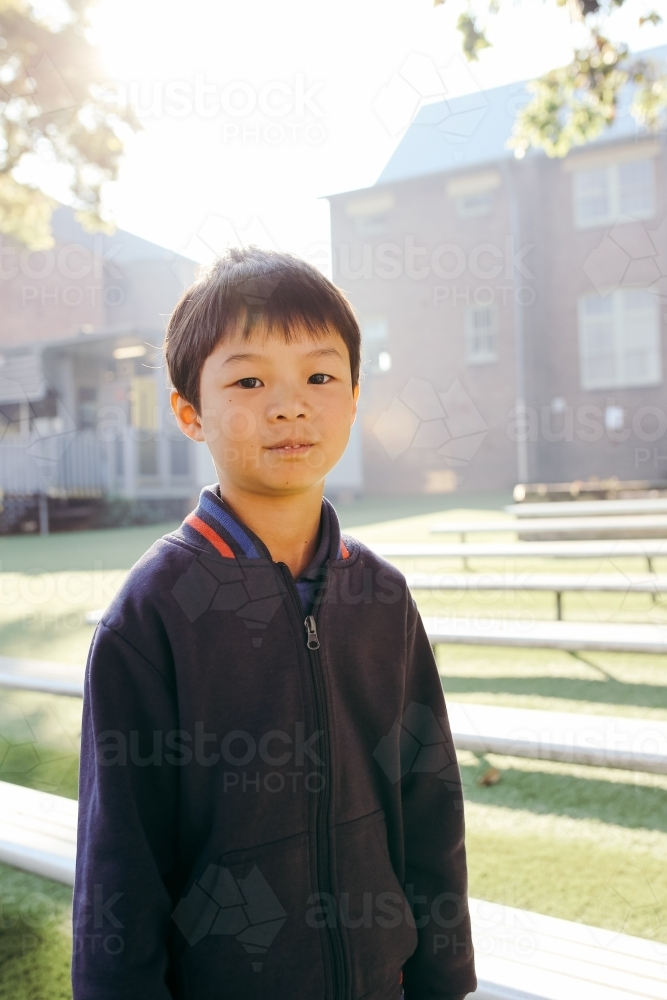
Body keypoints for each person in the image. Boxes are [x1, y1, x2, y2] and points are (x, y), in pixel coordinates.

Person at [71, 247, 477, 1000]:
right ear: (189, 411)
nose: (289, 405)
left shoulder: (381, 597)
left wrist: (443, 979)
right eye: (249, 379)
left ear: (354, 397)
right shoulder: (150, 615)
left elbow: (428, 809)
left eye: (319, 377)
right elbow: (117, 869)